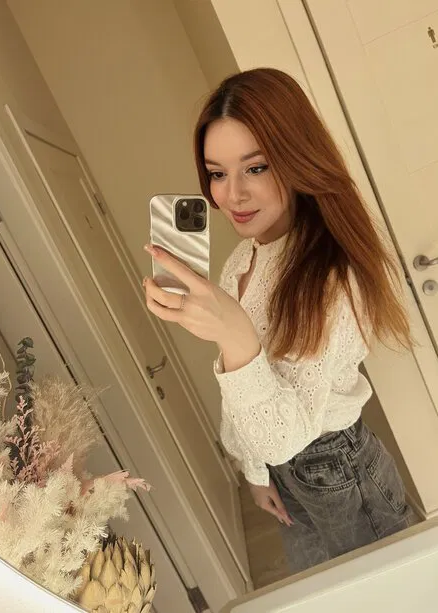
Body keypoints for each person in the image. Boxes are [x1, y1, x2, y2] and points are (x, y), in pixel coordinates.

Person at [143, 68, 413, 574]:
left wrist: (234, 336)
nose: (233, 195)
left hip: (338, 468)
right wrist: (256, 471)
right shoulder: (239, 263)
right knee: (323, 589)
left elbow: (287, 433)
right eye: (217, 174)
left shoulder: (331, 275)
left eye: (256, 167)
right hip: (282, 471)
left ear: (296, 158)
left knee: (390, 591)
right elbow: (242, 401)